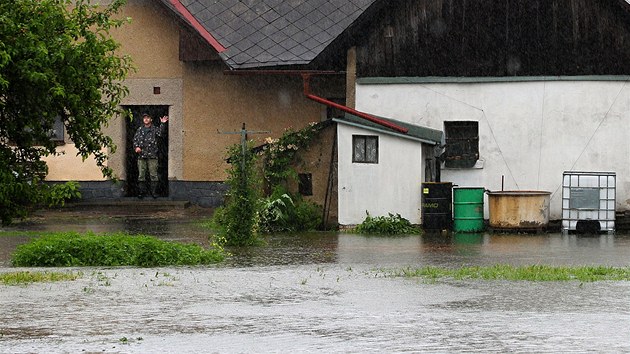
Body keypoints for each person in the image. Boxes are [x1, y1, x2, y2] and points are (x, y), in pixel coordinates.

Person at [133, 113, 168, 199]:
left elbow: (161, 133)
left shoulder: (154, 129)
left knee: (153, 175)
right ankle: (141, 193)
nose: (146, 119)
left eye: (148, 117)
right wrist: (136, 147)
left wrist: (163, 123)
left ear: (151, 119)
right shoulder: (139, 130)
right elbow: (135, 140)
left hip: (152, 155)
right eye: (144, 118)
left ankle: (154, 193)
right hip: (141, 156)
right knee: (141, 175)